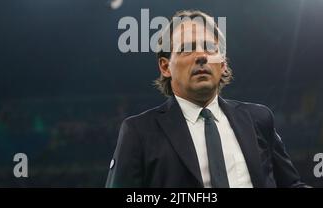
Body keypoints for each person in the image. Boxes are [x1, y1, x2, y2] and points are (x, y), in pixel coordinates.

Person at [106, 10, 307, 188]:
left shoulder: (259, 119)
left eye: (210, 48)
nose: (202, 56)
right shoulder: (139, 132)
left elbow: (290, 184)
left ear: (223, 64)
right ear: (165, 67)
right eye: (187, 49)